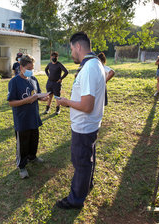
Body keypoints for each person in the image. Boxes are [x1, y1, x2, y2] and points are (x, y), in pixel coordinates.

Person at [55, 32, 106, 209]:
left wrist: (66, 102)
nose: (71, 54)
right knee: (87, 158)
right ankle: (87, 183)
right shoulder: (95, 63)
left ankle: (76, 199)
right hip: (90, 124)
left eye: (71, 49)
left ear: (78, 46)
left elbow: (86, 106)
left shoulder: (90, 67)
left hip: (84, 126)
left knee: (81, 162)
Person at [7, 54, 48, 179]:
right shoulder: (14, 82)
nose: (31, 71)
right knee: (23, 144)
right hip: (22, 119)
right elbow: (11, 102)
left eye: (33, 68)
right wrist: (28, 100)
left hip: (33, 117)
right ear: (21, 67)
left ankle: (32, 157)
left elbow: (37, 95)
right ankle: (22, 165)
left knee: (34, 139)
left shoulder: (33, 80)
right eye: (29, 68)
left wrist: (43, 98)